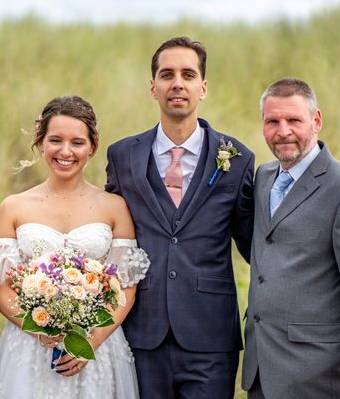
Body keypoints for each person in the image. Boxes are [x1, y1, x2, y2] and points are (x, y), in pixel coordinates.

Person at [105, 37, 255, 398]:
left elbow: (254, 245)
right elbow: (109, 234)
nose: (177, 83)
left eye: (188, 75)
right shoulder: (123, 155)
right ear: (152, 87)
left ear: (202, 87)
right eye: (167, 74)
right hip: (142, 331)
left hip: (211, 336)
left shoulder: (236, 158)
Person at [0, 95, 150, 399]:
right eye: (55, 140)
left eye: (77, 142)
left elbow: (126, 287)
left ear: (93, 146)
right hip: (29, 347)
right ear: (40, 142)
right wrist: (40, 331)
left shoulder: (115, 207)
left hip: (97, 345)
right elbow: (1, 287)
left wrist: (90, 343)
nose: (65, 152)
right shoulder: (13, 207)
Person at [241, 78, 340, 399]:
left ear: (316, 121)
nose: (282, 131)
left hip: (320, 376)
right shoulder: (264, 177)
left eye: (294, 120)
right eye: (272, 121)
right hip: (262, 371)